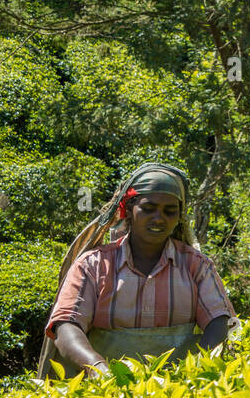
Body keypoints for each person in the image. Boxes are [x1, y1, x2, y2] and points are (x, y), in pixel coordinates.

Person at [37, 162, 237, 379]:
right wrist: (98, 370)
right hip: (103, 393)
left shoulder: (196, 266)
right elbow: (66, 325)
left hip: (178, 391)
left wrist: (198, 365)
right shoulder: (93, 265)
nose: (158, 218)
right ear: (129, 210)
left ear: (180, 216)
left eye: (169, 211)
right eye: (148, 208)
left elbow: (220, 321)